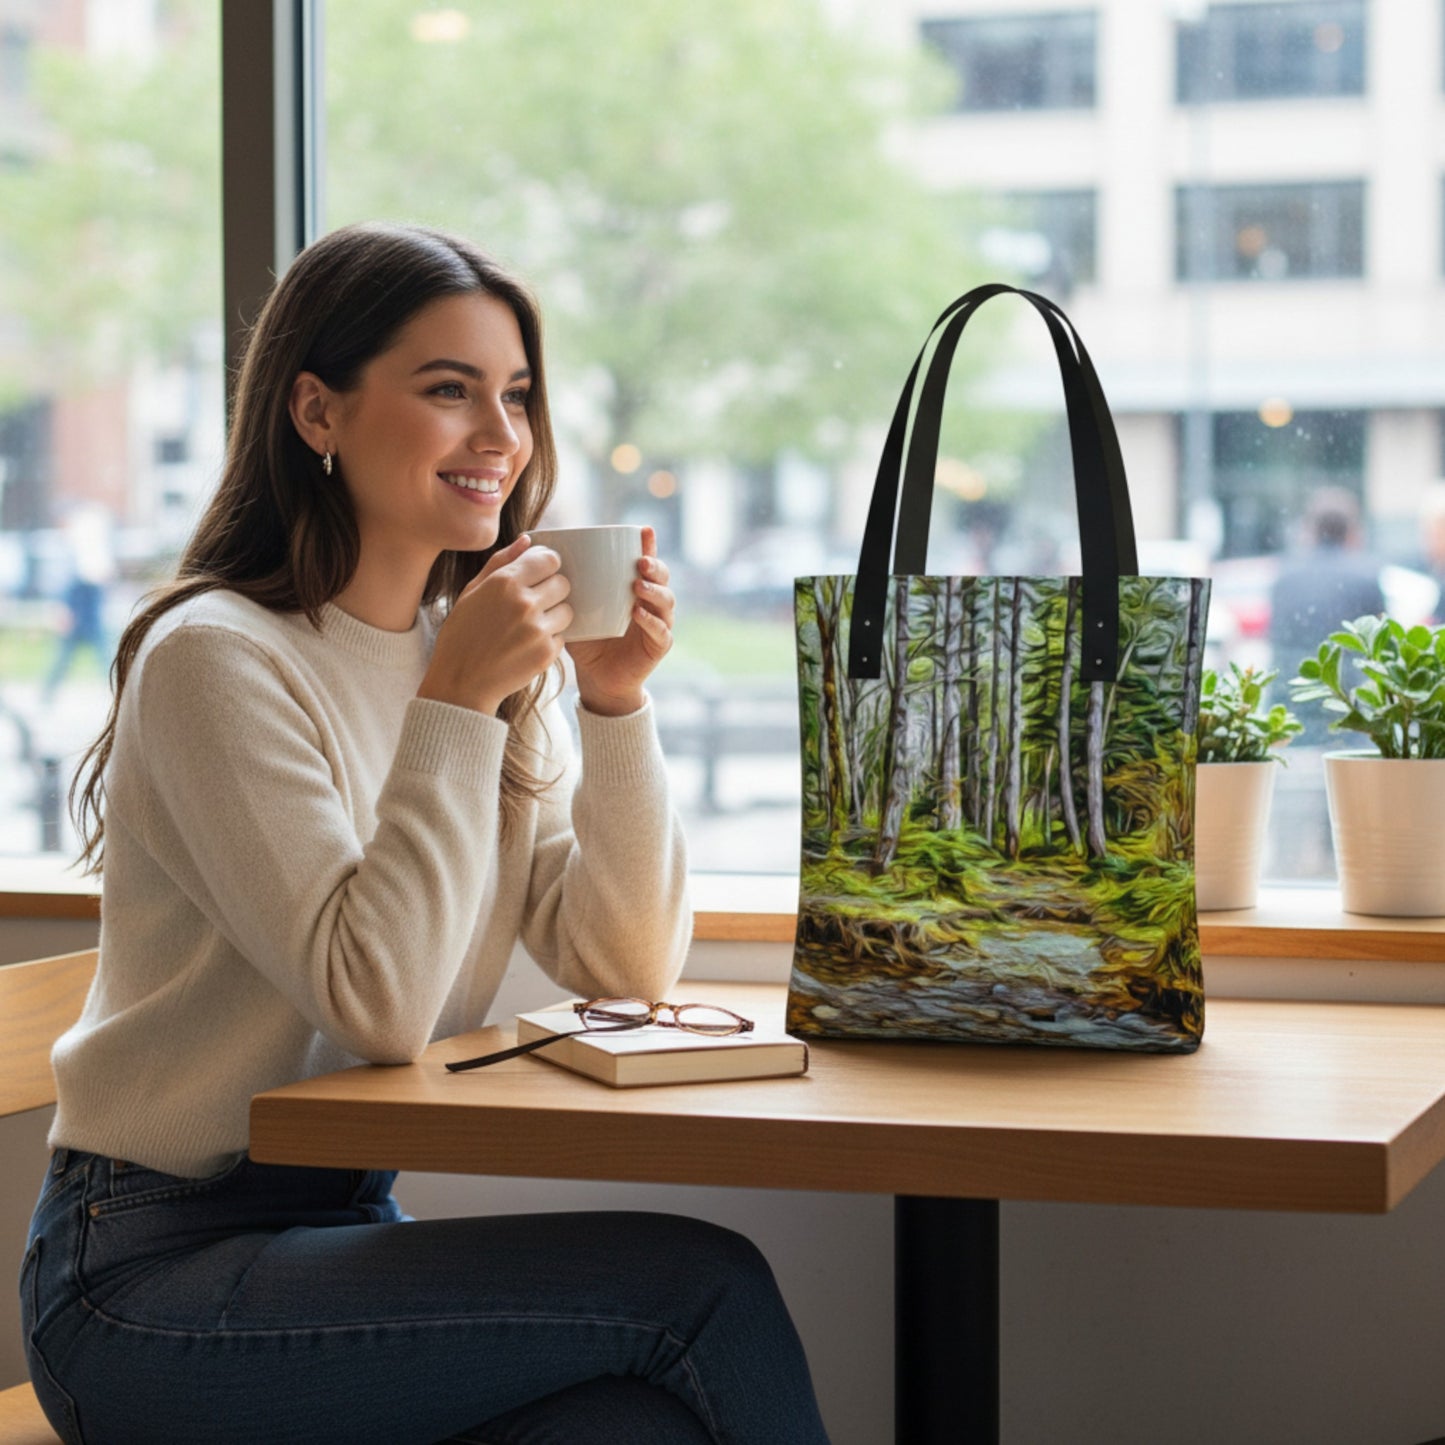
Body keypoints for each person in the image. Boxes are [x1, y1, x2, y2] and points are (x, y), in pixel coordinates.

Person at [20, 223, 830, 1445]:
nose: (501, 435)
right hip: (142, 1281)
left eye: (513, 395)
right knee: (700, 1290)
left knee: (630, 1422)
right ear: (317, 411)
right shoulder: (218, 658)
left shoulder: (462, 654)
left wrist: (610, 701)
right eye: (448, 390)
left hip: (332, 1229)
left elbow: (624, 964)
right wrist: (456, 703)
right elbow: (377, 1001)